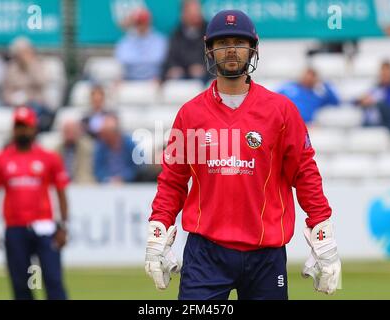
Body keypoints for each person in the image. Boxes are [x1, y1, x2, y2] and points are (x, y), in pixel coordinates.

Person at [144, 10, 341, 300]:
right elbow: (173, 181)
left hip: (265, 255)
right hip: (205, 254)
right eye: (223, 42)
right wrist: (158, 231)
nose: (232, 49)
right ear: (209, 49)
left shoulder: (281, 111)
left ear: (253, 47)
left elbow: (304, 173)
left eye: (240, 41)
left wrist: (322, 234)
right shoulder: (190, 114)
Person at [0, 106, 69, 300]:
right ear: (13, 129)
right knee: (20, 284)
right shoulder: (1, 160)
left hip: (45, 227)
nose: (22, 131)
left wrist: (63, 226)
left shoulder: (49, 158)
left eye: (26, 127)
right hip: (15, 228)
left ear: (34, 129)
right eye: (19, 127)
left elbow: (61, 194)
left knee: (53, 280)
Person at [3, 37, 53, 132]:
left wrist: (29, 65)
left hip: (36, 103)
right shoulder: (11, 69)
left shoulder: (38, 65)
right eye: (20, 53)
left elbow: (41, 83)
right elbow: (6, 91)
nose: (22, 56)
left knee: (36, 113)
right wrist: (13, 100)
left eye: (25, 52)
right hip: (16, 105)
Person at [355, 60, 390, 134]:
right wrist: (361, 101)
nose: (385, 76)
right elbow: (358, 101)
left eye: (387, 73)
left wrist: (375, 103)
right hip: (373, 125)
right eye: (383, 73)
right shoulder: (376, 88)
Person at [115, 7, 167, 81]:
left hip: (154, 81)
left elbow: (159, 60)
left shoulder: (160, 40)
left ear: (149, 22)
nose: (141, 25)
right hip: (130, 81)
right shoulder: (125, 41)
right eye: (138, 23)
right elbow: (123, 61)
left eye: (143, 22)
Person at [162, 0, 209, 82]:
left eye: (197, 11)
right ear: (183, 14)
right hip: (182, 76)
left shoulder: (209, 32)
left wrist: (204, 67)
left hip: (205, 76)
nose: (195, 15)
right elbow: (171, 58)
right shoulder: (176, 33)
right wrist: (174, 68)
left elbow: (215, 57)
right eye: (191, 12)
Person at [93, 114, 139, 183]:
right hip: (106, 185)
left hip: (130, 184)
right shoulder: (101, 146)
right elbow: (98, 169)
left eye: (107, 134)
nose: (103, 136)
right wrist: (108, 179)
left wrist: (123, 178)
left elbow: (137, 167)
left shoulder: (129, 144)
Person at [56, 118, 95, 184]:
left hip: (80, 185)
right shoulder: (56, 150)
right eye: (67, 131)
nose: (70, 135)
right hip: (62, 183)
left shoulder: (87, 148)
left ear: (78, 132)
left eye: (73, 131)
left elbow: (86, 172)